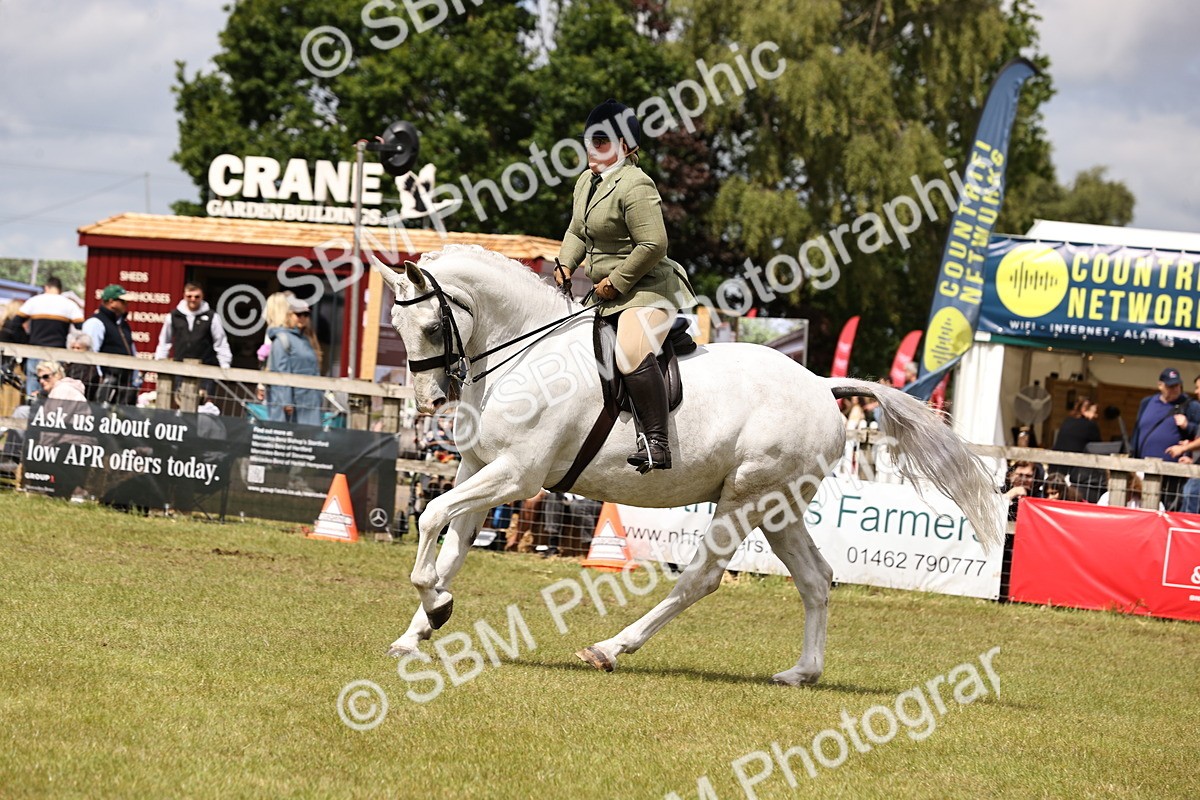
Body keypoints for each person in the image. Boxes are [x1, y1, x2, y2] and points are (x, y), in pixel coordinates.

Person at [553, 99, 696, 472]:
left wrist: (615, 283)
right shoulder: (586, 182)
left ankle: (657, 444)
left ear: (626, 147)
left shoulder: (635, 183)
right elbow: (576, 231)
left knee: (630, 352)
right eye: (589, 141)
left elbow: (654, 244)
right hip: (608, 294)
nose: (591, 149)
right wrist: (566, 263)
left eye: (601, 142)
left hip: (648, 288)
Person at [1130, 367, 1200, 511]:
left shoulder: (1190, 405)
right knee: (1143, 507)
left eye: (1177, 385)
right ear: (1160, 385)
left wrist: (1188, 427)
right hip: (1143, 468)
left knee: (1168, 510)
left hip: (1172, 472)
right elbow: (1138, 429)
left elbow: (1197, 431)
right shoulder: (1147, 402)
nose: (1175, 389)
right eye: (1170, 386)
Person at [1, 277, 84, 397]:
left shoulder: (34, 301)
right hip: (57, 354)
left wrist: (25, 341)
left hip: (35, 352)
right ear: (60, 289)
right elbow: (81, 325)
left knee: (32, 393)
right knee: (55, 390)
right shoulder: (69, 304)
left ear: (46, 287)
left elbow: (15, 323)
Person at [266, 296, 322, 426]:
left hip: (310, 401)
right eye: (298, 314)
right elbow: (282, 372)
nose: (302, 317)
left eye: (306, 314)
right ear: (289, 315)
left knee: (309, 441)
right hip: (292, 406)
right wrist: (287, 402)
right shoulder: (282, 339)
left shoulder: (307, 339)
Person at [80, 284, 138, 406]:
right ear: (111, 302)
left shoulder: (122, 324)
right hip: (104, 385)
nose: (126, 304)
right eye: (122, 301)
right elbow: (90, 355)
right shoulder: (95, 323)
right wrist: (101, 381)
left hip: (121, 385)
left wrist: (135, 378)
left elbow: (132, 352)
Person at [154, 282, 232, 369]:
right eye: (189, 296)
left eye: (197, 296)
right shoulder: (173, 316)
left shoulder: (212, 317)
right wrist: (160, 361)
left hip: (205, 368)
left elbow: (221, 342)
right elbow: (164, 342)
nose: (193, 299)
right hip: (179, 367)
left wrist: (225, 364)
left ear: (202, 296)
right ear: (184, 296)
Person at [1052, 397, 1104, 503]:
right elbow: (1099, 448)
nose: (1096, 416)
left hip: (1056, 470)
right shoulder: (1090, 426)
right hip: (1076, 475)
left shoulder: (1066, 422)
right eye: (1094, 412)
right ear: (1084, 410)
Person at [63, 332, 101, 401]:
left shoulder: (83, 367)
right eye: (73, 348)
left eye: (78, 348)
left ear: (87, 349)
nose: (75, 351)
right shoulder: (71, 365)